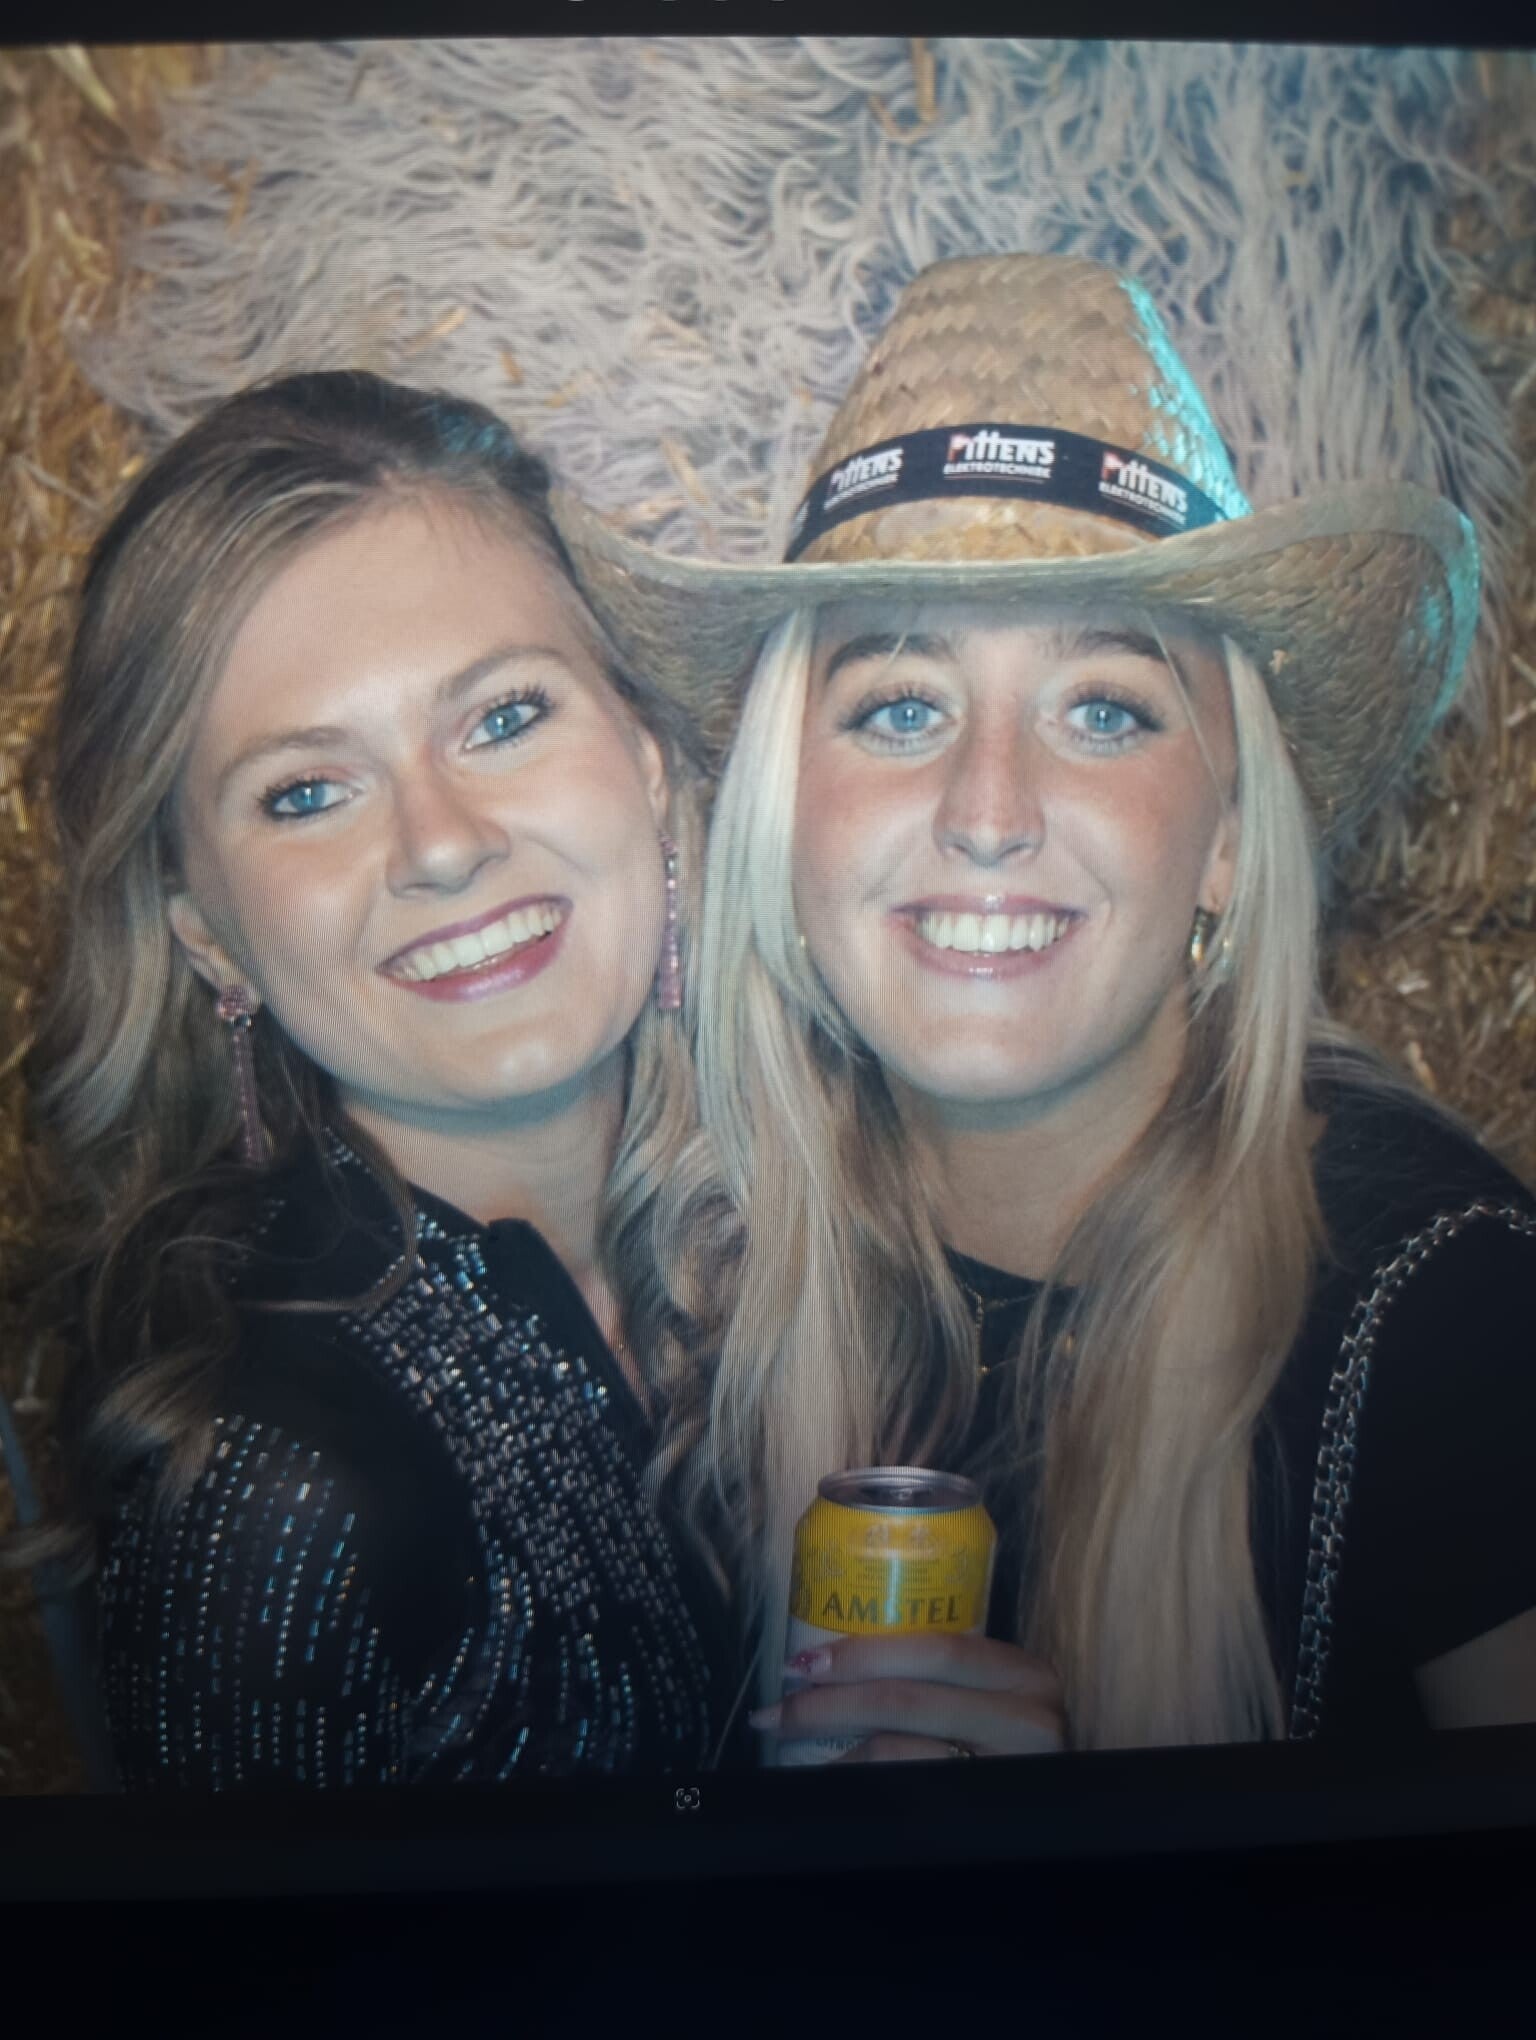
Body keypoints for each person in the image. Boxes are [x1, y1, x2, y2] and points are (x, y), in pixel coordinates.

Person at [550, 252, 1536, 1759]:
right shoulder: (708, 1275)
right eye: (901, 707)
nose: (990, 812)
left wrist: (1103, 1870)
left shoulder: (1449, 1311)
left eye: (1103, 710)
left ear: (1224, 842)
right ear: (785, 818)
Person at [9, 370, 739, 1789]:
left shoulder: (830, 1242)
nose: (442, 844)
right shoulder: (270, 1491)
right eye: (306, 792)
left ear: (646, 756)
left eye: (504, 717)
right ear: (208, 934)